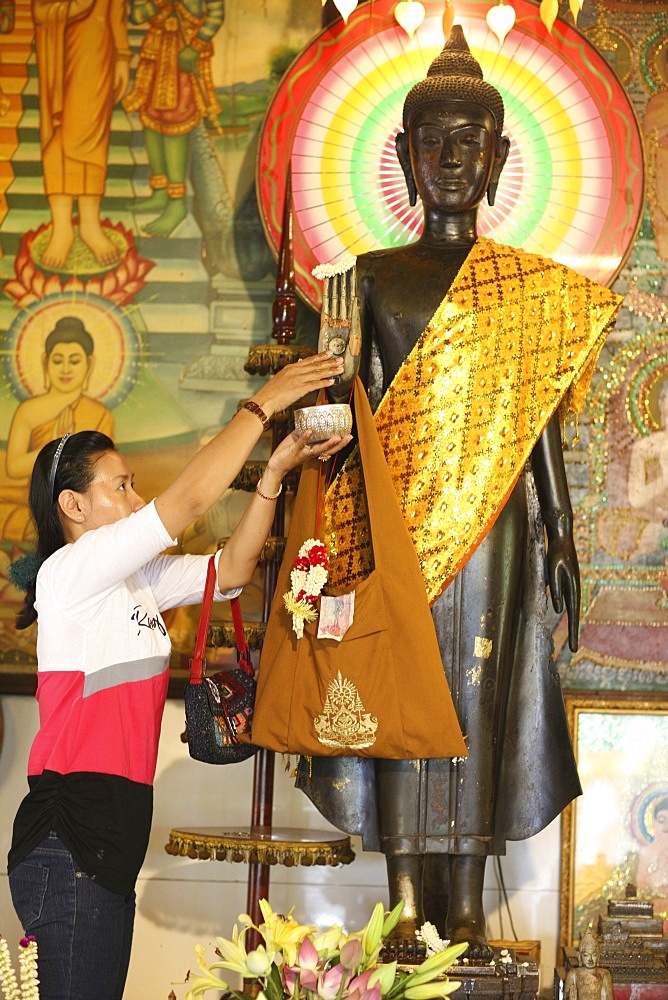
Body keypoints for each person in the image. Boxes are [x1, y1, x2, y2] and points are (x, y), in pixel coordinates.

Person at [298, 26, 622, 958]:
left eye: (467, 140)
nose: (449, 157)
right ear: (402, 154)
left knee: (480, 692)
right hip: (393, 529)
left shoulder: (526, 293)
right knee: (404, 694)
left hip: (497, 530)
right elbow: (337, 422)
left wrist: (559, 530)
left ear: (498, 158)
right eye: (432, 139)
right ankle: (402, 901)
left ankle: (470, 905)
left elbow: (538, 424)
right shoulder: (365, 280)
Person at [6, 349, 349, 1000]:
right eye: (122, 485)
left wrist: (273, 473)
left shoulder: (133, 583)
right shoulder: (69, 573)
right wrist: (265, 402)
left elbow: (233, 571)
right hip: (71, 836)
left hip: (106, 841)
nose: (136, 498)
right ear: (73, 506)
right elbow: (189, 498)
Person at [31, 0, 130, 268]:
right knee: (56, 134)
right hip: (56, 44)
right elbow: (39, 8)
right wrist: (71, 9)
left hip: (95, 44)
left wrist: (122, 55)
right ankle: (61, 225)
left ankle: (89, 223)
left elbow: (116, 7)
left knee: (92, 132)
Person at [124, 0, 225, 238]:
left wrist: (197, 45)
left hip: (185, 53)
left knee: (175, 122)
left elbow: (216, 14)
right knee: (150, 119)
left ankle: (177, 201)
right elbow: (137, 15)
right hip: (156, 53)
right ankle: (159, 190)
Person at [6, 316, 114, 484]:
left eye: (74, 361)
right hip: (35, 495)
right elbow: (13, 468)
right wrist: (54, 447)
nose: (65, 369)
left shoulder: (100, 414)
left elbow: (103, 467)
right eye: (57, 361)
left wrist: (65, 449)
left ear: (89, 364)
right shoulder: (27, 410)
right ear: (45, 362)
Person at [564, 928, 613, 1000]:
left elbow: (607, 998)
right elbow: (566, 997)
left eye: (594, 955)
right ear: (579, 956)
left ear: (598, 956)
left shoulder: (604, 974)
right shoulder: (573, 974)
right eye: (586, 955)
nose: (590, 959)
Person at [637, 796, 668, 902]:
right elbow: (640, 888)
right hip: (653, 908)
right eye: (661, 820)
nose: (666, 825)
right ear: (653, 824)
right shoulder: (646, 853)